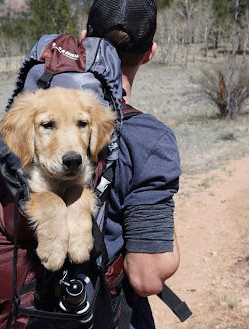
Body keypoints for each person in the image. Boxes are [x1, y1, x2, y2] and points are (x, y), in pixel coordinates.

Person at [83, 0, 182, 327]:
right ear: (149, 52)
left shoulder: (34, 112)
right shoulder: (149, 140)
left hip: (17, 305)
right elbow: (146, 277)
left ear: (84, 38)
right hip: (99, 313)